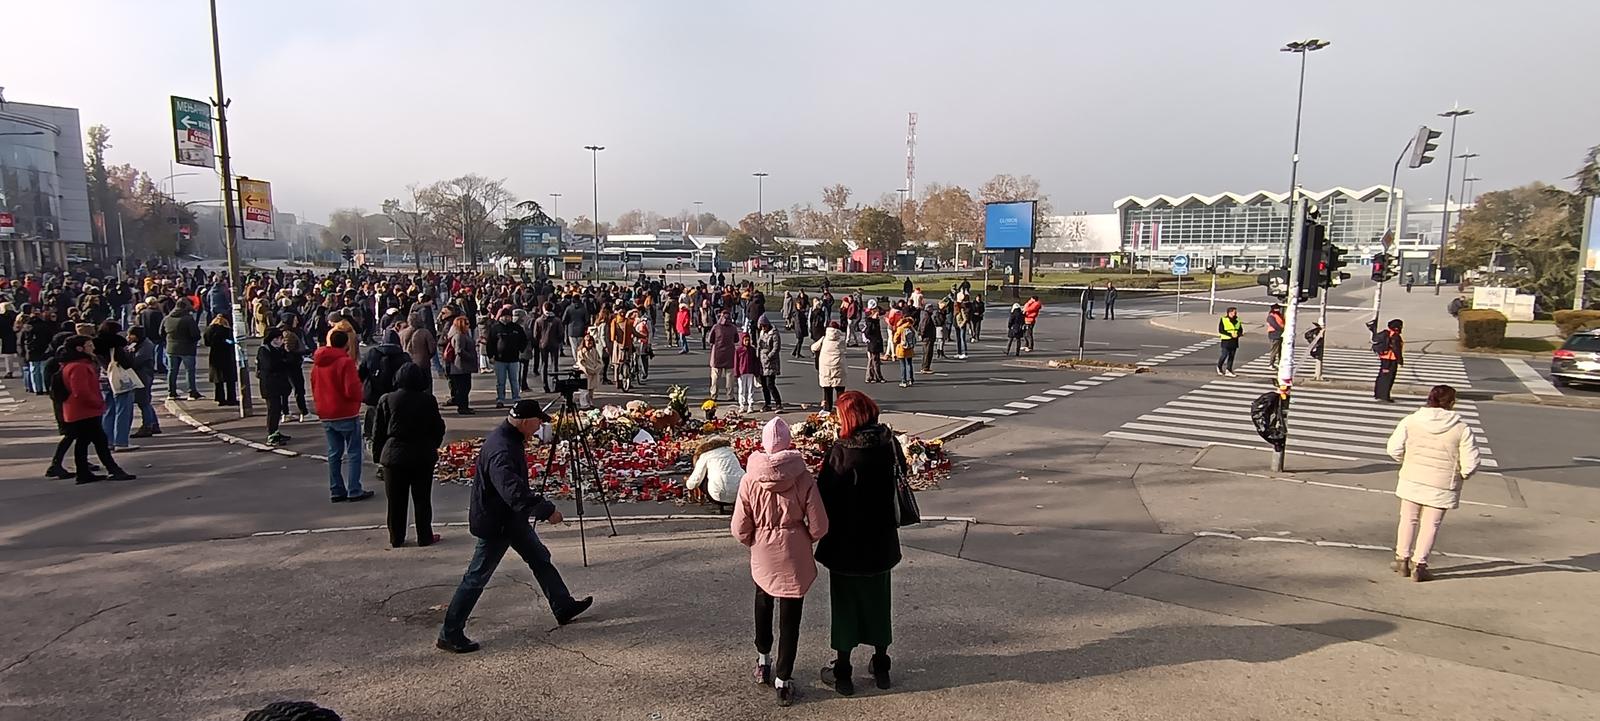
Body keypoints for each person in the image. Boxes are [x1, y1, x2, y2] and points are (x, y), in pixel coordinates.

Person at [437, 400, 593, 653]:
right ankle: (450, 632)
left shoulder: (508, 439)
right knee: (476, 577)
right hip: (498, 522)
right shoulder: (503, 449)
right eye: (537, 421)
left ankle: (562, 605)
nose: (540, 426)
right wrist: (546, 510)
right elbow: (513, 491)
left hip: (511, 519)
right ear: (523, 421)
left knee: (540, 557)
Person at [733, 417, 829, 706]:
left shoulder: (750, 478)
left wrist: (755, 541)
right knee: (791, 617)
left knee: (763, 601)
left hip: (763, 549)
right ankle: (783, 679)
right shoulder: (803, 477)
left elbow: (739, 527)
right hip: (795, 551)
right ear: (788, 443)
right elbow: (819, 524)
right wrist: (804, 538)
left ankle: (763, 660)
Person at [814, 391, 903, 696]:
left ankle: (842, 673)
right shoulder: (889, 443)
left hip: (847, 543)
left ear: (849, 418)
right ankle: (881, 666)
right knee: (879, 602)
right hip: (881, 540)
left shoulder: (842, 451)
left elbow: (824, 495)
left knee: (845, 606)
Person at [1385, 385, 1481, 582]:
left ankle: (1401, 559)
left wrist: (1406, 460)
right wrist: (1462, 474)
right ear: (1452, 403)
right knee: (1431, 524)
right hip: (1442, 483)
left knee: (1408, 519)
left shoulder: (1411, 421)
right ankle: (1419, 565)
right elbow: (1471, 462)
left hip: (1412, 477)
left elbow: (1394, 448)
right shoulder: (1461, 428)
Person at [372, 362, 447, 548]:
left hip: (394, 453)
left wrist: (378, 456)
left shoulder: (387, 399)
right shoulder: (427, 400)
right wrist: (432, 446)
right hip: (421, 453)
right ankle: (424, 536)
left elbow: (378, 431)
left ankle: (396, 537)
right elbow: (438, 428)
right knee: (422, 499)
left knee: (396, 501)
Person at [55, 334, 137, 483]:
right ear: (79, 349)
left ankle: (84, 473)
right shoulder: (78, 366)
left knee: (85, 441)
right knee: (99, 441)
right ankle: (112, 470)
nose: (93, 348)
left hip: (80, 410)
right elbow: (81, 391)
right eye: (89, 346)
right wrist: (97, 403)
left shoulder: (75, 364)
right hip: (84, 411)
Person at [311, 330, 373, 503]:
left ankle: (336, 489)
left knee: (334, 453)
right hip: (345, 411)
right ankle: (354, 489)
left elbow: (314, 385)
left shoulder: (317, 363)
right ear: (346, 344)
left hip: (326, 412)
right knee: (354, 452)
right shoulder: (345, 362)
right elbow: (351, 390)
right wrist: (360, 396)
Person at [256, 327, 295, 446]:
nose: (281, 341)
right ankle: (272, 434)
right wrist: (282, 361)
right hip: (270, 386)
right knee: (273, 410)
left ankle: (276, 432)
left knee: (277, 410)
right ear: (273, 339)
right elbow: (270, 366)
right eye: (279, 338)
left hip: (278, 385)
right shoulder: (264, 350)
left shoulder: (278, 350)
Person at [687, 435, 744, 513]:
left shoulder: (705, 455)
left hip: (717, 494)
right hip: (738, 493)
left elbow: (694, 481)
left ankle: (719, 505)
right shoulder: (731, 454)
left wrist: (688, 484)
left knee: (702, 477)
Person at [486, 307, 527, 408]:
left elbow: (524, 340)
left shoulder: (516, 328)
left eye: (508, 316)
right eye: (504, 316)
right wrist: (490, 356)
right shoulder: (495, 328)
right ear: (500, 317)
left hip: (514, 359)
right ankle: (500, 399)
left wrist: (521, 350)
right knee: (500, 381)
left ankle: (516, 398)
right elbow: (490, 343)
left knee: (515, 380)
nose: (506, 318)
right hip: (500, 360)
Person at [162, 298, 202, 400]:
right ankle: (192, 392)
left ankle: (171, 392)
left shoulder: (167, 318)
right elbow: (195, 334)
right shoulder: (188, 319)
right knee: (189, 371)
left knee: (172, 371)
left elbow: (161, 333)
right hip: (187, 348)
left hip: (171, 348)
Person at [126, 327, 162, 439]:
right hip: (140, 374)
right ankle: (154, 424)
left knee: (143, 401)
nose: (128, 337)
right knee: (145, 401)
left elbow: (137, 361)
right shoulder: (138, 344)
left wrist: (127, 358)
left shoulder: (146, 345)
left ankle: (147, 426)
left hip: (143, 375)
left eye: (130, 335)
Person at [444, 315, 478, 415]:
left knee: (465, 387)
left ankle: (464, 406)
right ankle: (462, 407)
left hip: (463, 367)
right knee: (463, 388)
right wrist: (471, 356)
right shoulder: (458, 336)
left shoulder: (463, 335)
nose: (468, 325)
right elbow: (459, 350)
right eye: (466, 323)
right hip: (460, 367)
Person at [812, 320, 846, 412]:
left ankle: (828, 409)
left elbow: (814, 347)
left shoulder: (824, 339)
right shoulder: (841, 340)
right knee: (840, 391)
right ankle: (841, 410)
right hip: (839, 368)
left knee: (827, 391)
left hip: (826, 369)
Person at [708, 310, 739, 401]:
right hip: (729, 354)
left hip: (717, 354)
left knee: (715, 377)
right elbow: (736, 340)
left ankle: (714, 395)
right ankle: (730, 395)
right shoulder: (733, 328)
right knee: (729, 377)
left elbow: (710, 339)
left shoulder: (716, 327)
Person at [755, 316, 784, 411]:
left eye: (764, 326)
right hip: (762, 362)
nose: (763, 328)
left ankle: (778, 403)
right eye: (761, 326)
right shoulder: (762, 332)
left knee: (770, 384)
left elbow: (776, 347)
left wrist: (769, 356)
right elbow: (759, 346)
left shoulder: (774, 333)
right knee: (763, 385)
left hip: (771, 362)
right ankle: (767, 403)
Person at [1374, 319, 1405, 403]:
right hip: (1391, 359)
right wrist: (1400, 361)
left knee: (1382, 376)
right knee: (1388, 378)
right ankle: (1384, 396)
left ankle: (1378, 394)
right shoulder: (1395, 336)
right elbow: (1396, 350)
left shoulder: (1385, 333)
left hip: (1384, 358)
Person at [575, 333, 604, 408]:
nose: (589, 342)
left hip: (594, 372)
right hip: (586, 373)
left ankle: (590, 402)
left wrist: (597, 368)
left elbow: (599, 361)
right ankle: (584, 404)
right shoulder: (581, 351)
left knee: (591, 390)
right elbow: (581, 363)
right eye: (587, 341)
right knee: (585, 390)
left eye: (591, 341)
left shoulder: (594, 351)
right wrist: (588, 369)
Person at [734, 332, 760, 413]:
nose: (747, 342)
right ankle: (742, 405)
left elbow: (755, 361)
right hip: (742, 372)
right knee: (741, 389)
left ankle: (750, 405)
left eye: (748, 340)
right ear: (742, 340)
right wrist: (736, 372)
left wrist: (756, 372)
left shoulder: (752, 350)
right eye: (745, 340)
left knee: (750, 389)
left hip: (750, 372)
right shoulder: (739, 350)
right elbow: (736, 362)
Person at [1217, 306, 1242, 377]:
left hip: (1234, 340)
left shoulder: (1238, 320)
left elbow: (1240, 329)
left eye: (1236, 312)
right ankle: (1219, 366)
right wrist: (1230, 334)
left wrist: (1238, 334)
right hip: (1226, 340)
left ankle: (1229, 369)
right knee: (1224, 355)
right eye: (1234, 312)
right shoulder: (1224, 319)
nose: (1235, 313)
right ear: (1229, 313)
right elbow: (1221, 330)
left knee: (1232, 356)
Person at [1265, 303, 1285, 371]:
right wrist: (1282, 329)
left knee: (1280, 350)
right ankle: (1271, 364)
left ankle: (1279, 363)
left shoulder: (1279, 315)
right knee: (1274, 350)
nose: (1278, 309)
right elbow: (1275, 325)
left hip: (1280, 334)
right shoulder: (1271, 316)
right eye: (1276, 308)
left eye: (1278, 308)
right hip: (1274, 334)